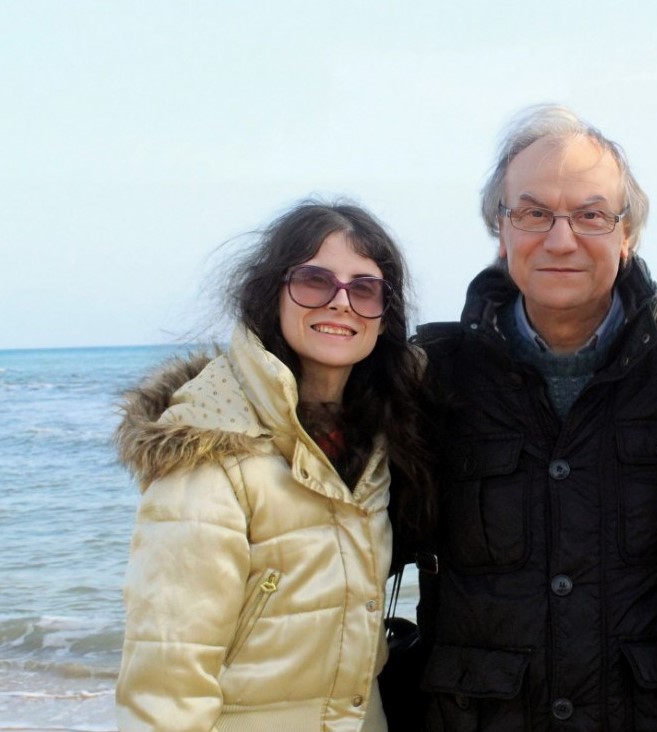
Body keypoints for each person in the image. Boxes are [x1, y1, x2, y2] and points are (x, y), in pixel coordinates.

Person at [414, 104, 657, 731]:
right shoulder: (435, 376)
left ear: (627, 233)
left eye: (590, 215)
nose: (561, 240)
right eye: (533, 214)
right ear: (500, 231)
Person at [114, 200, 432, 731]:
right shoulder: (214, 447)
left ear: (384, 314)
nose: (340, 302)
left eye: (364, 288)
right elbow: (166, 677)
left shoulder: (378, 444)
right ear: (271, 293)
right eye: (314, 281)